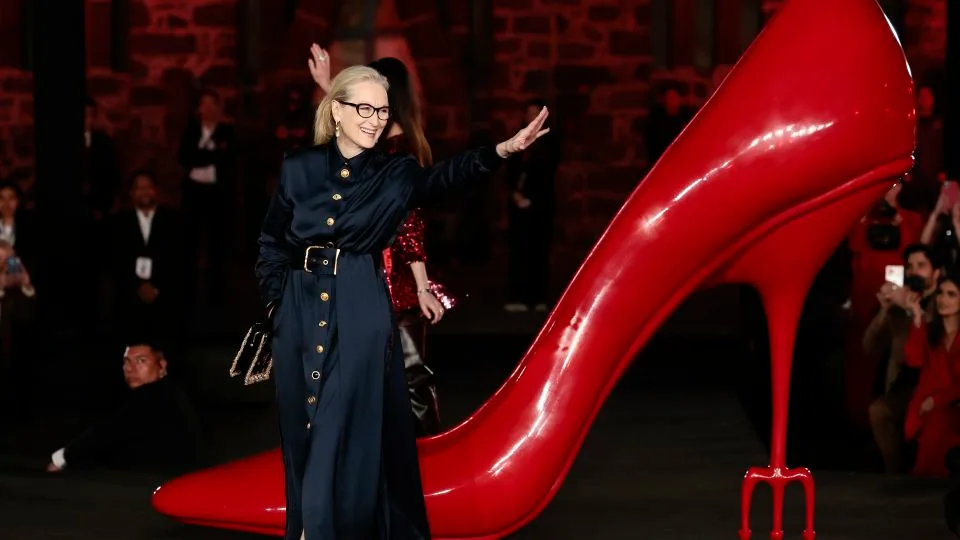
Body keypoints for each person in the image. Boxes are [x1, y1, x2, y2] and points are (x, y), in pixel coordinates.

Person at [255, 62, 549, 539]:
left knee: (333, 426)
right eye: (364, 109)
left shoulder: (396, 173)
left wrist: (502, 150)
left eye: (382, 111)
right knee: (301, 429)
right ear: (336, 111)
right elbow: (271, 241)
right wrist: (277, 305)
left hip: (360, 306)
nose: (375, 119)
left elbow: (446, 177)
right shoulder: (298, 167)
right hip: (298, 306)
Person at [310, 47, 449, 436]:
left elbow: (408, 221)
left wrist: (422, 286)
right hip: (372, 274)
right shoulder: (381, 142)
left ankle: (429, 458)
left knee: (410, 375)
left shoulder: (397, 149)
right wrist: (328, 85)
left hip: (394, 280)